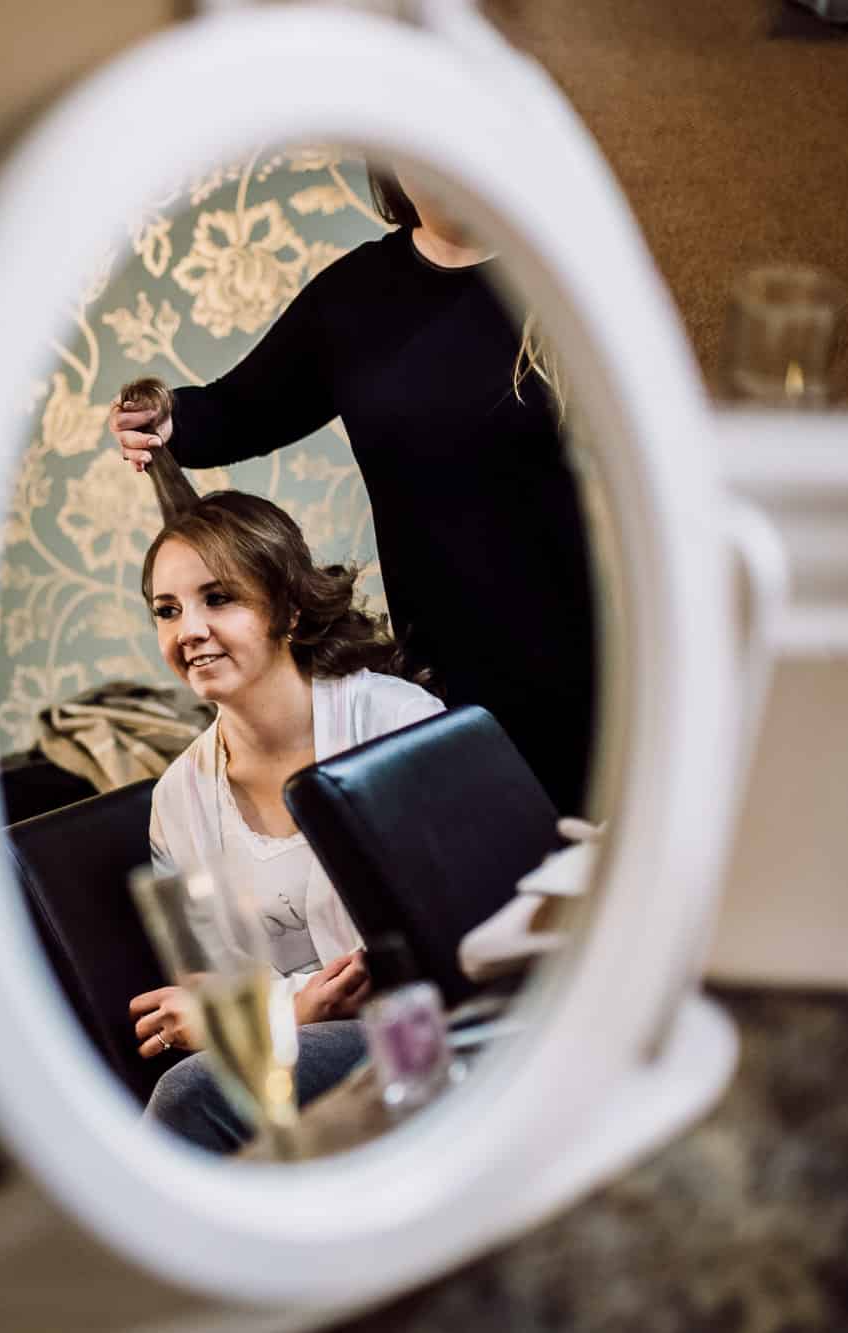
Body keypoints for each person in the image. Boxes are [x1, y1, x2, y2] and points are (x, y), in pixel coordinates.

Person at [109, 167, 596, 817]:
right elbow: (238, 407)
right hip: (447, 671)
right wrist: (168, 420)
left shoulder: (566, 279)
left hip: (596, 653)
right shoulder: (354, 297)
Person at [129, 487, 444, 1152]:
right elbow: (202, 978)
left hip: (423, 1022)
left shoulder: (394, 721)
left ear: (290, 609)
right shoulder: (175, 797)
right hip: (297, 1045)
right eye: (166, 610)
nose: (188, 629)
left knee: (190, 1097)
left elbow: (421, 945)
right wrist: (291, 1011)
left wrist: (269, 1014)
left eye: (219, 598)